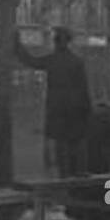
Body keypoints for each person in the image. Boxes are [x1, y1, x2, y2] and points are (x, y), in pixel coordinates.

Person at [14, 25, 92, 178]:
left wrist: (17, 45)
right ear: (68, 42)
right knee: (76, 143)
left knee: (61, 146)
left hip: (57, 110)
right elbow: (84, 89)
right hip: (75, 110)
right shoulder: (77, 62)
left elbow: (31, 61)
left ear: (57, 42)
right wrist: (87, 111)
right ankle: (78, 173)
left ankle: (65, 176)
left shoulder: (53, 60)